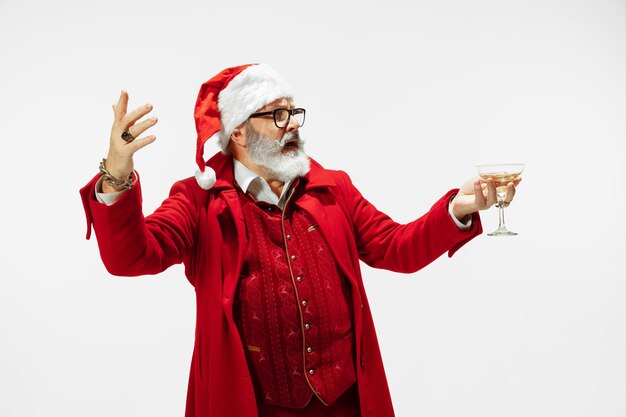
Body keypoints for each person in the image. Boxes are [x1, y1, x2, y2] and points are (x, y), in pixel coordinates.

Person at [80, 64, 519, 417]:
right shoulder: (198, 200)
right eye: (276, 115)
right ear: (237, 132)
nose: (291, 125)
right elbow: (131, 257)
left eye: (293, 112)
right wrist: (116, 174)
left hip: (345, 403)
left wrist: (459, 209)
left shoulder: (333, 188)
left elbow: (396, 248)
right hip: (252, 406)